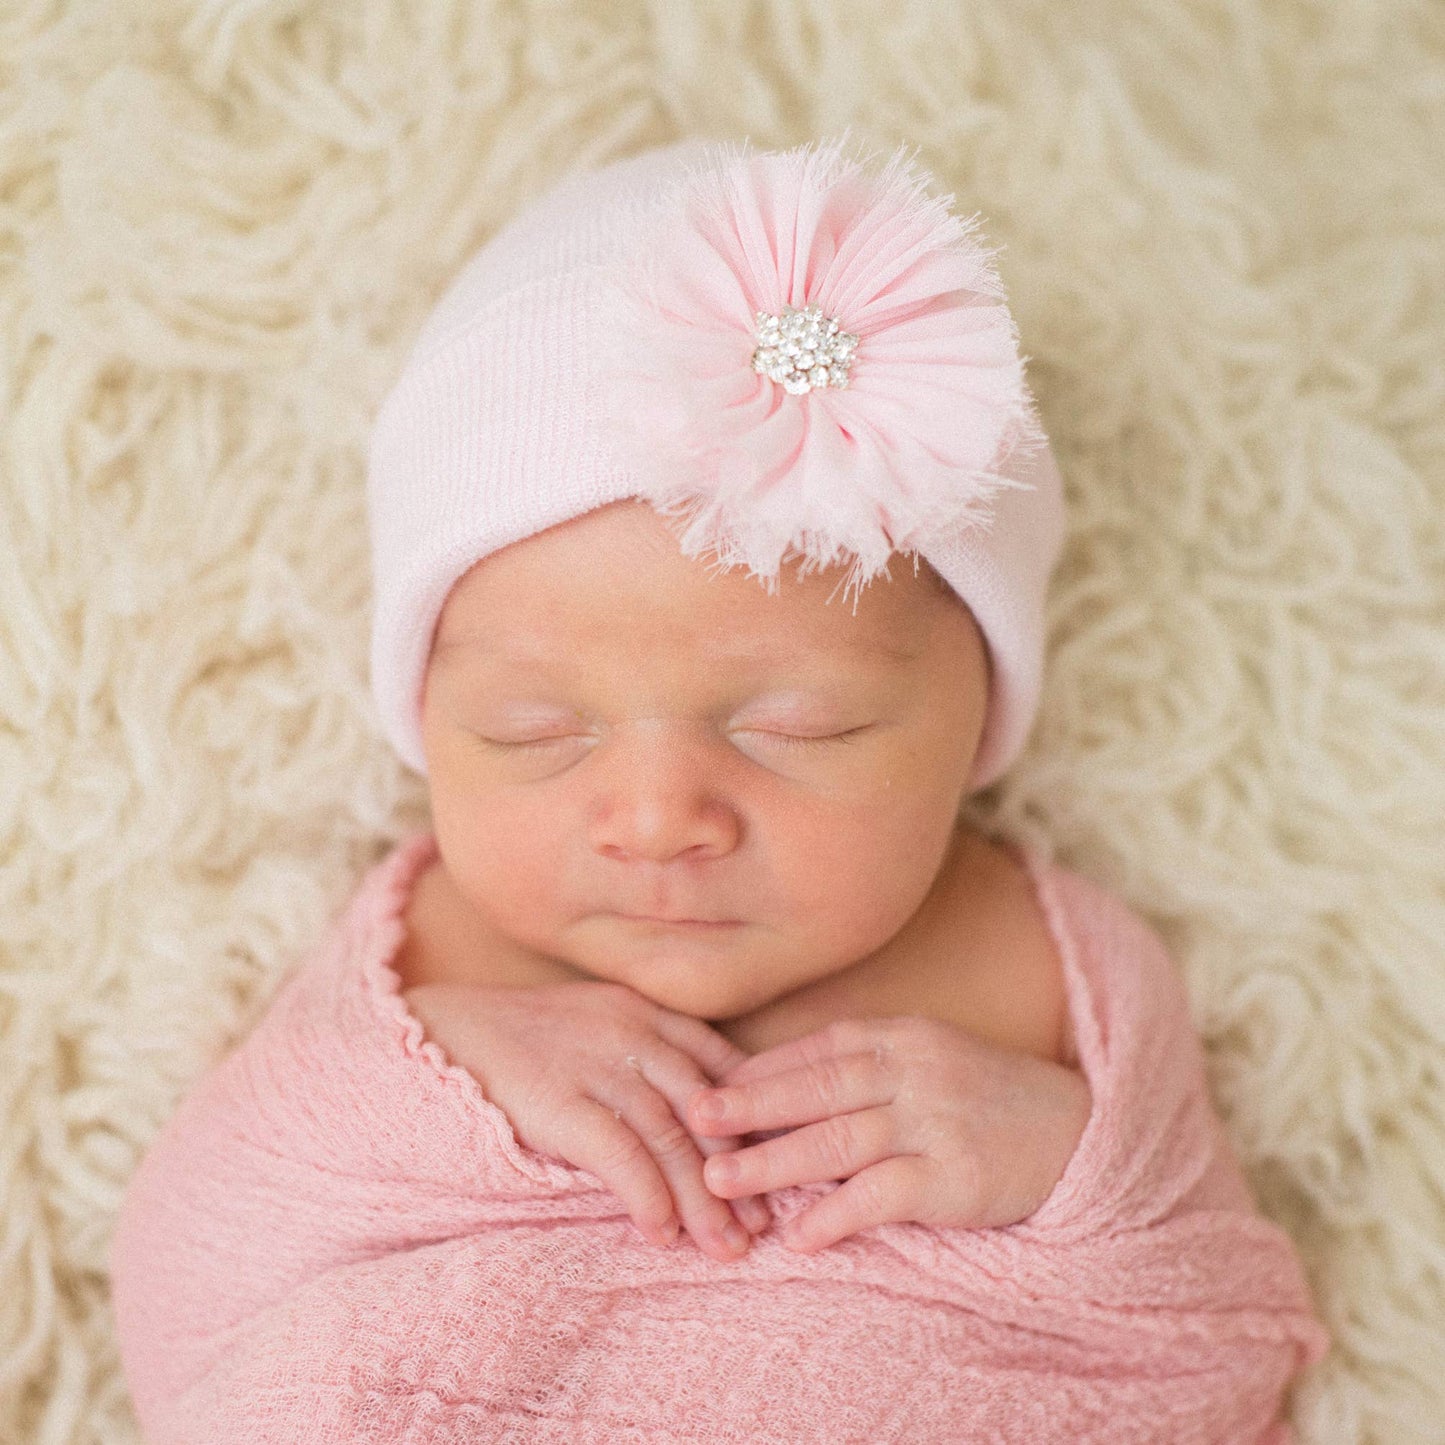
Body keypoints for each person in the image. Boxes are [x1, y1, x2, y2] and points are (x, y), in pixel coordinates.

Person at [109, 134, 1329, 1442]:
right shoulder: (428, 961)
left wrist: (1056, 1158)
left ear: (977, 708)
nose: (656, 818)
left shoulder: (1048, 964)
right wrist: (441, 1083)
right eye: (534, 732)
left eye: (798, 726)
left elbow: (1223, 1333)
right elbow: (187, 1290)